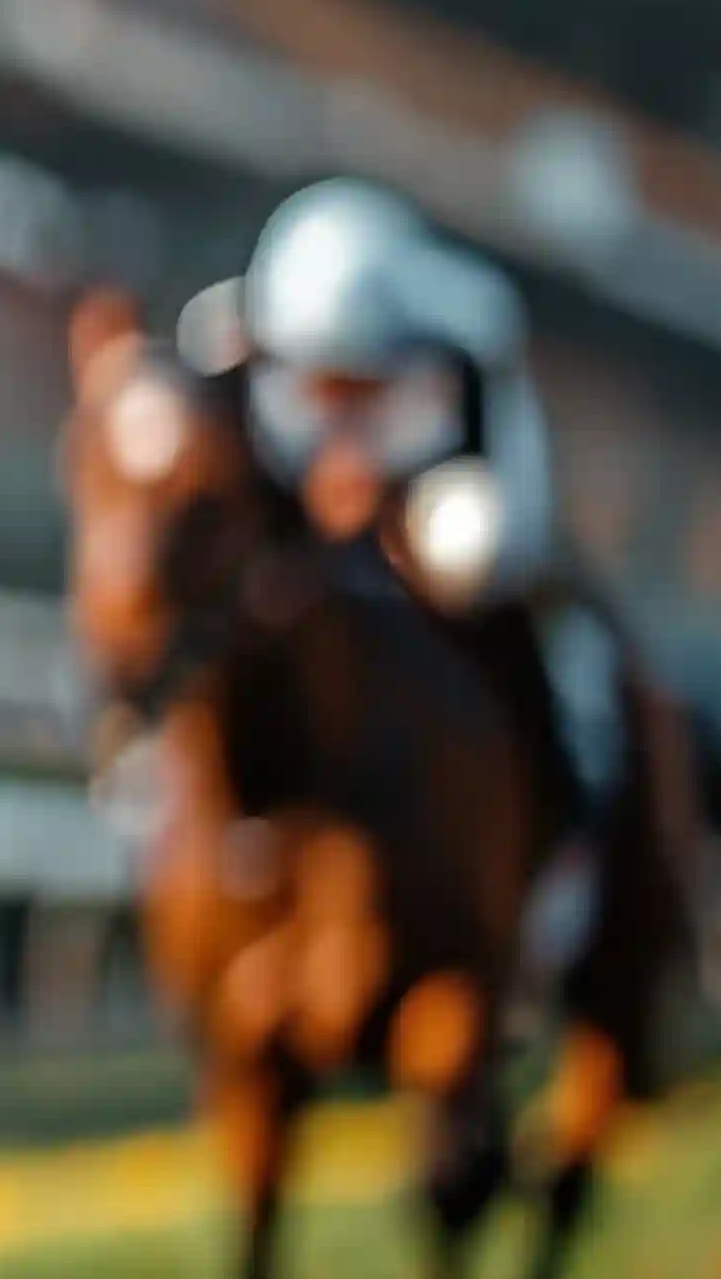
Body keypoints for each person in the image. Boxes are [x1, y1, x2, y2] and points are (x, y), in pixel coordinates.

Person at [211, 178, 636, 894]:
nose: (337, 403)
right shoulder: (238, 342)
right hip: (308, 544)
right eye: (320, 383)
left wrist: (429, 523)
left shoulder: (470, 345)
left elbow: (509, 501)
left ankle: (569, 816)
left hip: (435, 533)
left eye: (359, 383)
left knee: (556, 636)